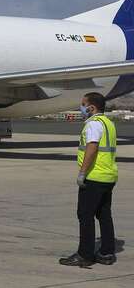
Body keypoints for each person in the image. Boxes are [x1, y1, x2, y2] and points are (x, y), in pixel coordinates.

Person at [59, 92, 118, 267]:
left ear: (91, 107)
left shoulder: (93, 124)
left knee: (85, 215)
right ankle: (107, 253)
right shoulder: (108, 123)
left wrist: (82, 173)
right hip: (108, 176)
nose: (82, 108)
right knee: (104, 214)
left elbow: (92, 148)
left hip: (94, 176)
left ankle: (85, 254)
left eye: (83, 104)